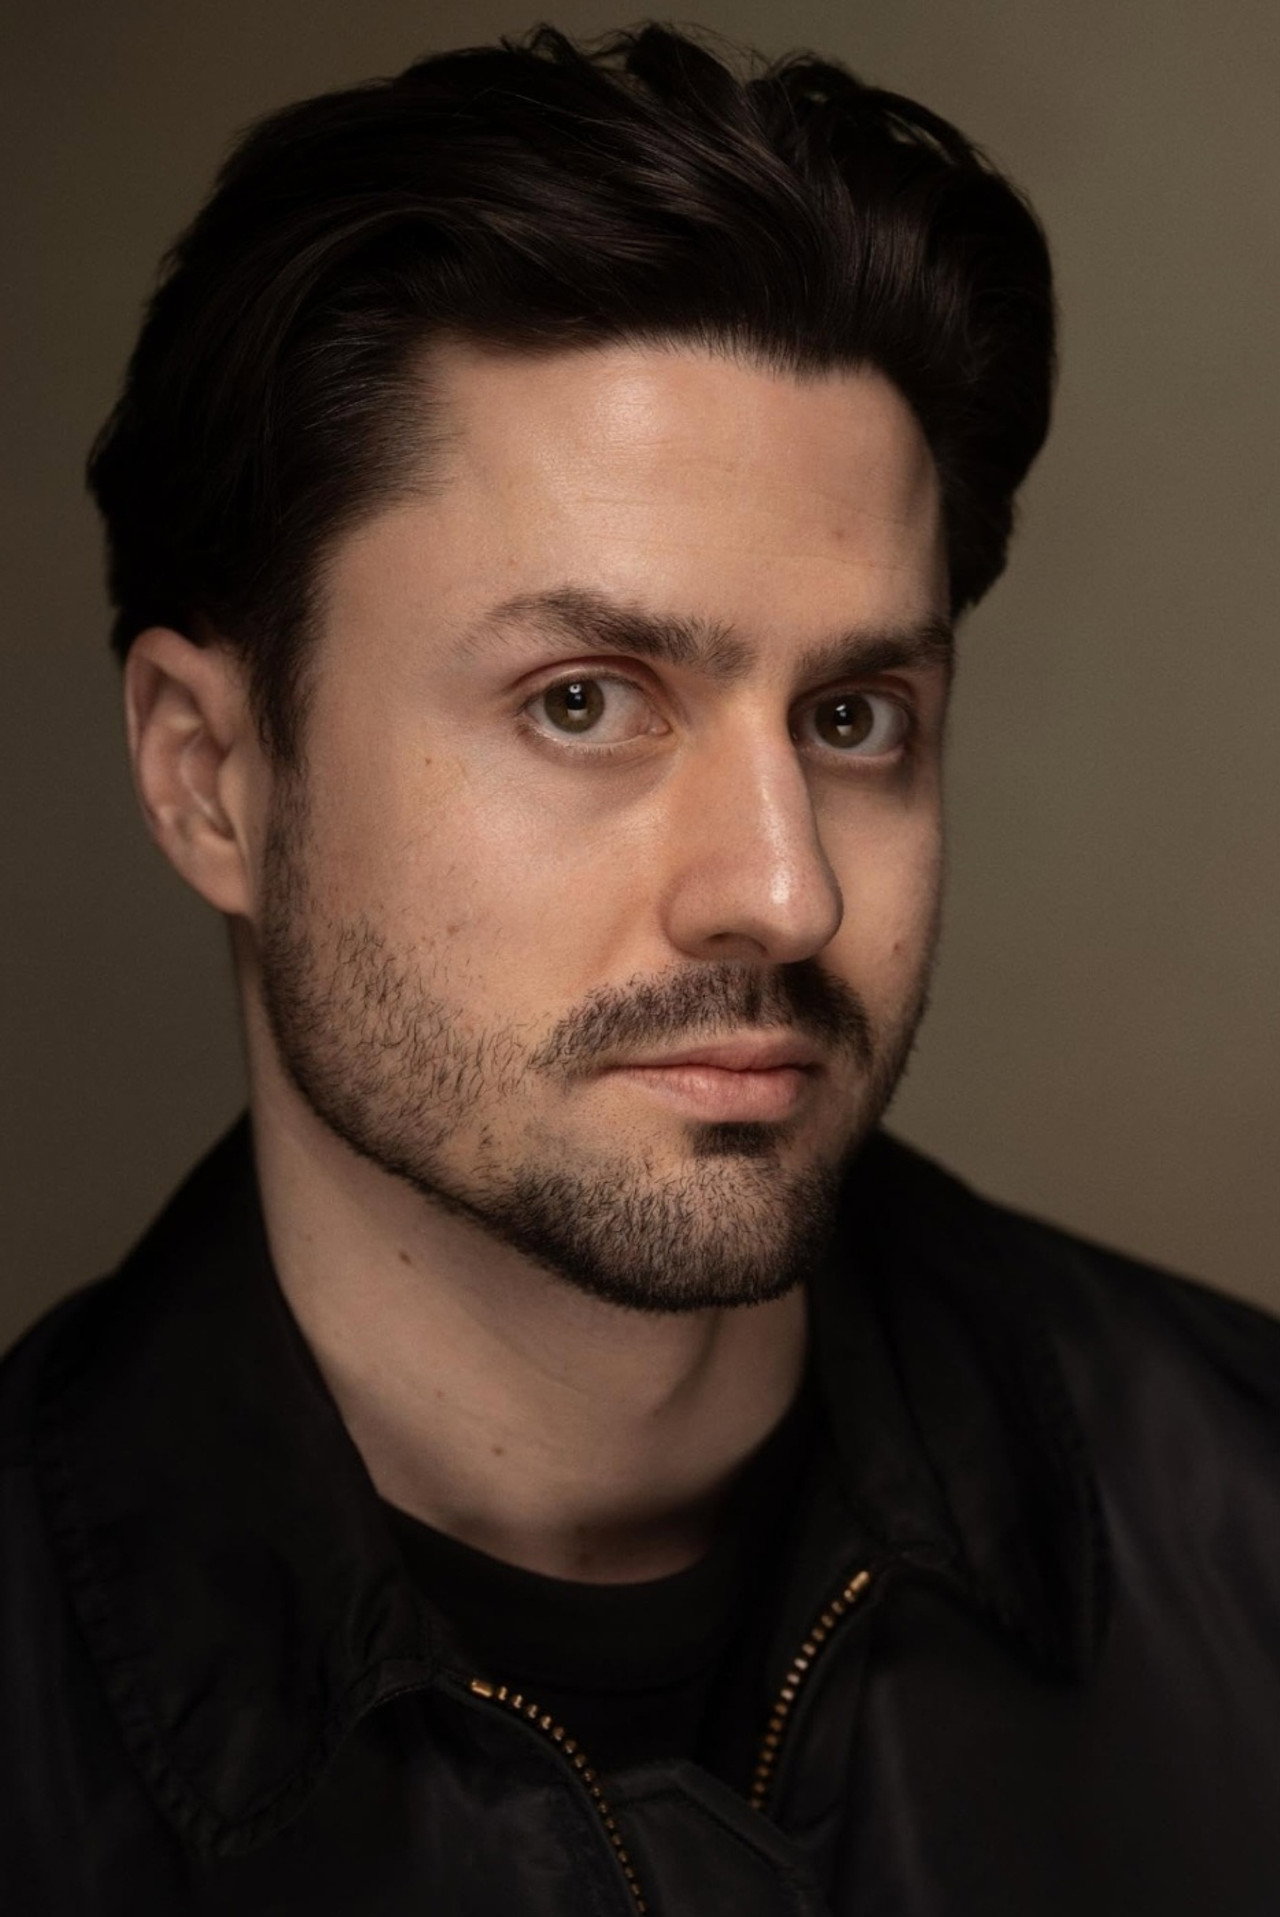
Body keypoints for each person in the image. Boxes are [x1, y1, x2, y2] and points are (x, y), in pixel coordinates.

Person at [3, 21, 1278, 1914]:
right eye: (585, 701)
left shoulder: (1247, 1526)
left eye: (853, 716)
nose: (783, 891)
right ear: (212, 777)